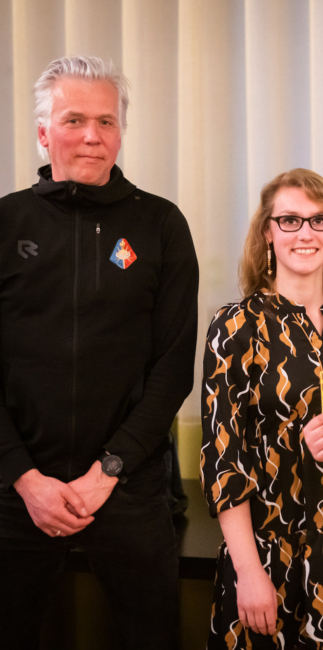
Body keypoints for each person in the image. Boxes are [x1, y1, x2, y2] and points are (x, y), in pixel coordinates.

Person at [0, 56, 199, 648]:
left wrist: (108, 471)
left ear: (120, 132)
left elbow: (172, 370)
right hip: (16, 493)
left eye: (106, 121)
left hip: (128, 490)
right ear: (43, 133)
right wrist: (25, 479)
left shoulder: (161, 225)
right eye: (74, 120)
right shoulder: (6, 222)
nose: (92, 135)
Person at [200, 169, 323, 650]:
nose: (306, 232)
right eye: (289, 220)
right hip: (270, 552)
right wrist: (248, 572)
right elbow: (223, 462)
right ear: (267, 233)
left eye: (320, 220)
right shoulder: (235, 326)